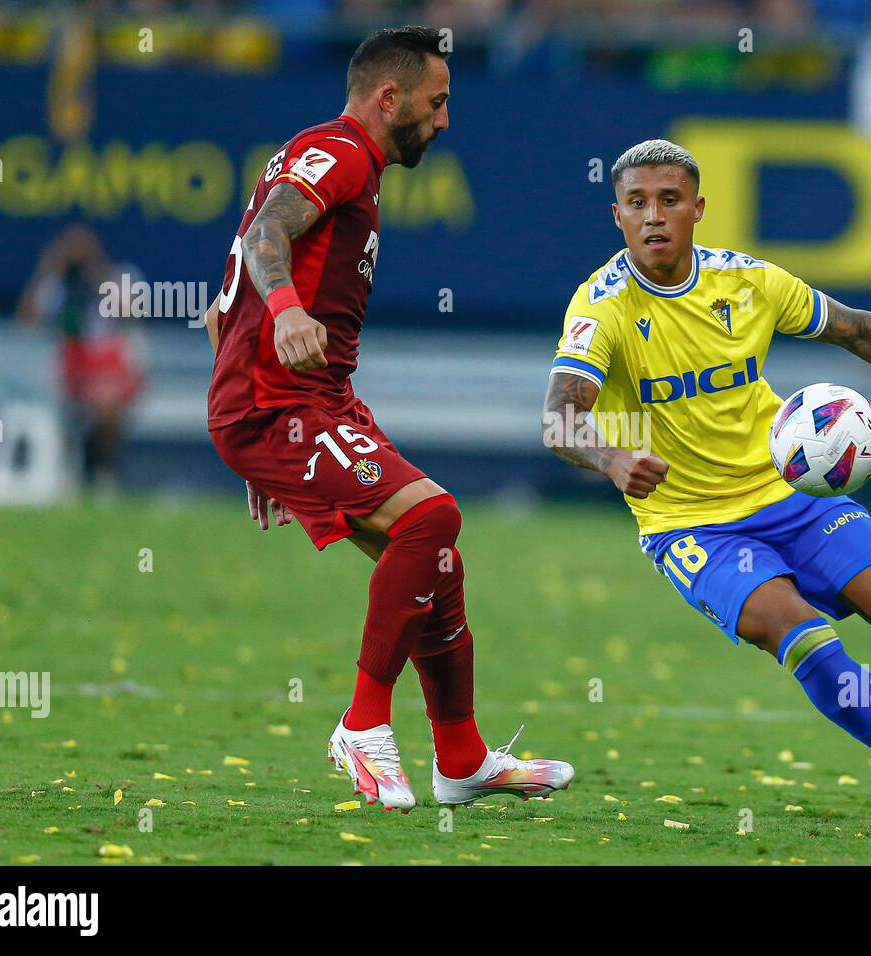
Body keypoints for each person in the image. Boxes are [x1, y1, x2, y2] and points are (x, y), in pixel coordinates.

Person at [542, 139, 871, 823]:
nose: (654, 216)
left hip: (789, 493)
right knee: (800, 635)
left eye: (669, 200)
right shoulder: (602, 307)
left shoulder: (745, 281)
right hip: (691, 523)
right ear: (616, 215)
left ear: (697, 209)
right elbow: (559, 419)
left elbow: (857, 330)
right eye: (637, 203)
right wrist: (613, 459)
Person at [205, 26, 572, 811]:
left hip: (303, 404)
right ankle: (362, 725)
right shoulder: (336, 155)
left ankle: (462, 758)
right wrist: (287, 315)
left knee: (438, 563)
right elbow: (267, 236)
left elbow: (216, 308)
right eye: (437, 104)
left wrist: (263, 454)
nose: (444, 122)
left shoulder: (330, 159)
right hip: (282, 405)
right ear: (388, 97)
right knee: (432, 516)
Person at [16, 224, 146, 496]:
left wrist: (95, 274)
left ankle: (102, 471)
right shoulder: (56, 286)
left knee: (106, 405)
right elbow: (26, 322)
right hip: (71, 370)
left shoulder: (119, 276)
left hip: (110, 368)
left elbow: (132, 314)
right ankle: (74, 470)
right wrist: (49, 269)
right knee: (76, 403)